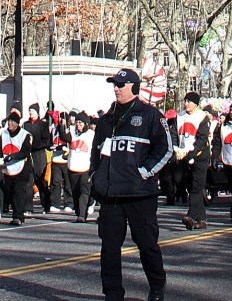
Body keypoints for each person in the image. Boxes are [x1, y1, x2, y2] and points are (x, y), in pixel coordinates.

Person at [92, 66, 170, 301]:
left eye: (121, 84)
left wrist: (144, 172)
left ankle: (157, 286)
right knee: (109, 249)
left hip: (139, 194)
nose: (116, 88)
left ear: (134, 87)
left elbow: (165, 149)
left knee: (147, 245)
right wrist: (96, 176)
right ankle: (113, 294)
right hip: (111, 195)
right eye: (114, 84)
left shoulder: (150, 115)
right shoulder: (106, 119)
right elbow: (97, 152)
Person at [175, 93, 212, 229]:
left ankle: (190, 216)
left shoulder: (202, 117)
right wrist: (176, 148)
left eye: (189, 102)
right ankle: (201, 219)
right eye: (185, 101)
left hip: (200, 156)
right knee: (188, 185)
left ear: (196, 104)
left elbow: (202, 140)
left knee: (197, 187)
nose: (186, 104)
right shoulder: (179, 117)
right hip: (183, 155)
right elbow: (174, 134)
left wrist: (193, 153)